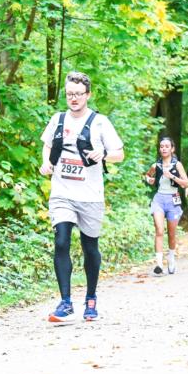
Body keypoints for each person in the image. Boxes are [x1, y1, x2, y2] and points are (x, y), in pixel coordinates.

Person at [39, 71, 125, 322]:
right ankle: (65, 303)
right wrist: (46, 163)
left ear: (88, 94)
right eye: (69, 94)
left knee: (90, 248)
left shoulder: (100, 122)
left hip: (90, 196)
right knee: (62, 241)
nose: (73, 98)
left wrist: (103, 155)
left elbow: (119, 152)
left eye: (78, 94)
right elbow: (46, 145)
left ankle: (91, 298)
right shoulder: (58, 119)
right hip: (62, 193)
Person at [143, 137, 188, 274]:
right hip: (159, 199)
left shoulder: (177, 165)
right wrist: (149, 179)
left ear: (172, 149)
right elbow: (146, 175)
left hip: (173, 200)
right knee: (159, 230)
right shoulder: (155, 165)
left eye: (167, 146)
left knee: (172, 234)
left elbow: (186, 184)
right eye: (161, 146)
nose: (163, 148)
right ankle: (158, 264)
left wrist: (172, 176)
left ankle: (171, 258)